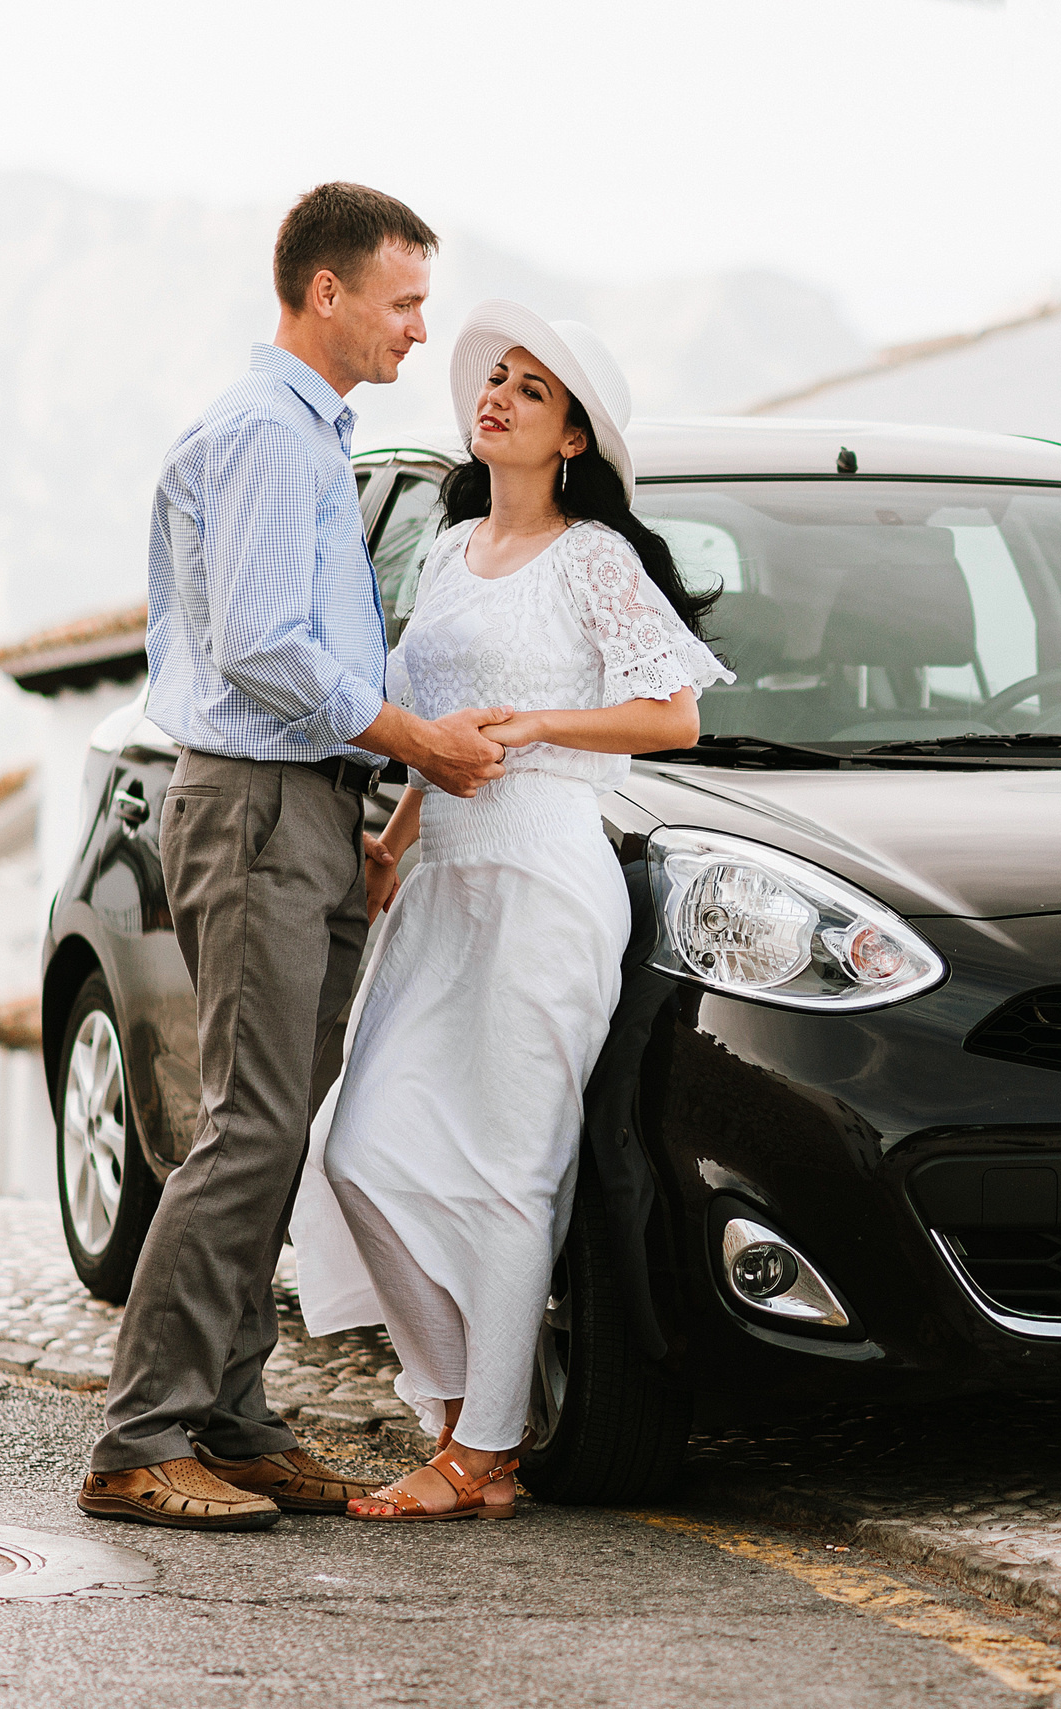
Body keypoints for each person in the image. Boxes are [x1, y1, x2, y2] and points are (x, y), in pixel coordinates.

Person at [80, 185, 525, 1532]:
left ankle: (230, 1416)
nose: (417, 328)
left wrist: (367, 813)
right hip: (260, 803)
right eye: (402, 302)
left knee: (279, 1122)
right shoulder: (267, 439)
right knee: (251, 1122)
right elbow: (269, 649)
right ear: (323, 294)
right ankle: (140, 1437)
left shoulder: (308, 438)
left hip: (310, 808)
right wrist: (415, 745)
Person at [289, 300, 730, 1521]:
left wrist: (536, 725)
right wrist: (390, 838)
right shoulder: (443, 553)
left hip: (545, 873)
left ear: (573, 437)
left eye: (531, 391)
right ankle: (459, 1411)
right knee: (361, 1144)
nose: (496, 395)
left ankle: (482, 1451)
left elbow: (671, 716)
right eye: (494, 379)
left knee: (509, 1164)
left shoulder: (595, 559)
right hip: (440, 880)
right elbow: (436, 740)